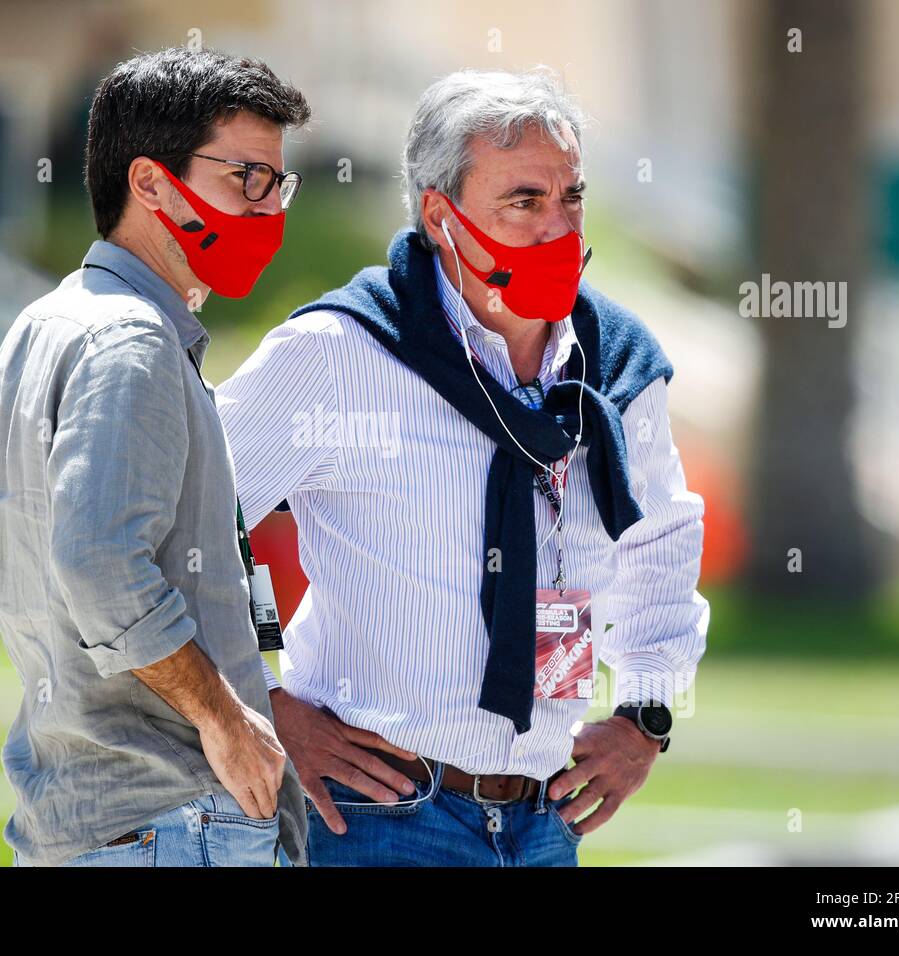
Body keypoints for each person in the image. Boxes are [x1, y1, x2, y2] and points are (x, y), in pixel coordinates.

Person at [216, 68, 708, 866]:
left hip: (546, 822)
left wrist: (646, 716)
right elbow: (195, 515)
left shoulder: (617, 369)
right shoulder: (342, 353)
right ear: (440, 216)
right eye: (524, 201)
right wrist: (261, 701)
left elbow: (662, 544)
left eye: (571, 198)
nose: (560, 229)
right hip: (377, 818)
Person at [0, 46, 311, 867]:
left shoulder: (49, 321)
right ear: (151, 182)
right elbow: (99, 564)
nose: (268, 210)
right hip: (172, 823)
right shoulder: (131, 341)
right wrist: (226, 723)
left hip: (91, 817)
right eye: (247, 179)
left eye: (278, 183)